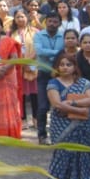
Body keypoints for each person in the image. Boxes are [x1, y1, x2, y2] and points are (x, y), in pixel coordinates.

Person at [40, 53, 90, 179]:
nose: (64, 67)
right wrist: (81, 110)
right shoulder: (53, 83)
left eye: (68, 65)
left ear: (74, 67)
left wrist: (71, 102)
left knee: (82, 158)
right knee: (62, 157)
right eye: (61, 64)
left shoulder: (84, 82)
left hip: (83, 128)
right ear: (57, 67)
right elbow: (57, 104)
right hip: (62, 126)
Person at [33, 13, 66, 144]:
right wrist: (58, 54)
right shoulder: (39, 35)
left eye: (55, 22)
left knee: (60, 106)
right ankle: (42, 135)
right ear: (46, 22)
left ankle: (59, 134)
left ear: (59, 23)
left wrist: (53, 54)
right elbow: (40, 52)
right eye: (50, 21)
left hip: (61, 75)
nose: (52, 24)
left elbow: (66, 52)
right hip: (44, 73)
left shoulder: (63, 35)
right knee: (42, 106)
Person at [9, 9, 39, 128]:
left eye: (22, 16)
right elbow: (9, 50)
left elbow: (38, 47)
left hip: (32, 64)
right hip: (17, 66)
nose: (20, 19)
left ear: (27, 18)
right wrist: (21, 62)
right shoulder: (10, 33)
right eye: (18, 17)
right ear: (14, 20)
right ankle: (23, 118)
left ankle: (36, 118)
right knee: (20, 93)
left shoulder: (35, 31)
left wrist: (28, 61)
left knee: (34, 94)